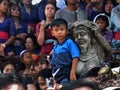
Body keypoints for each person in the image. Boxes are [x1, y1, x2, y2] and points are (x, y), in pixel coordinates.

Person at [50, 18, 80, 84]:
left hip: (66, 73)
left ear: (67, 31)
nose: (59, 32)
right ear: (52, 33)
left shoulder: (69, 43)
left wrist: (72, 73)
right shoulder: (55, 47)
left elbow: (75, 57)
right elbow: (53, 63)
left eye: (62, 29)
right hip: (57, 74)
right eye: (56, 30)